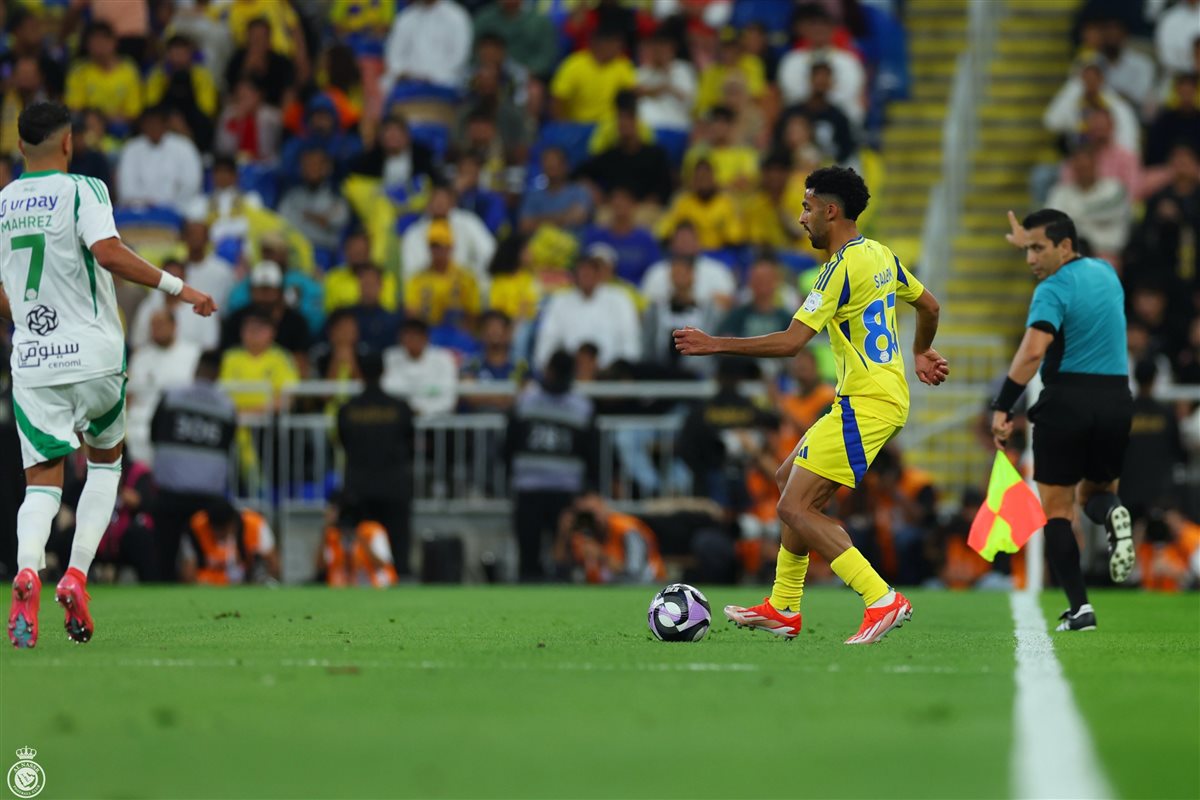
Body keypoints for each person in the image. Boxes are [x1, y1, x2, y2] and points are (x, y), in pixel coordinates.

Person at [673, 166, 948, 644]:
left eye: (806, 207)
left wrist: (715, 343)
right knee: (788, 483)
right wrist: (921, 350)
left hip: (867, 401)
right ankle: (783, 606)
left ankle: (881, 598)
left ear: (830, 211)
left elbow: (791, 342)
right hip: (874, 398)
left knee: (795, 506)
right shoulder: (881, 255)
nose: (802, 218)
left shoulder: (838, 270)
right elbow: (930, 306)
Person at [2, 102, 215, 647]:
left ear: (21, 147)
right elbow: (109, 252)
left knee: (41, 484)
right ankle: (75, 575)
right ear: (68, 143)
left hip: (35, 362)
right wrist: (179, 288)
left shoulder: (2, 204)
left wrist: (31, 316)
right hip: (95, 359)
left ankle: (27, 570)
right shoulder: (84, 189)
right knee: (105, 465)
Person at [991, 209, 1135, 631]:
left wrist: (1004, 404)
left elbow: (1033, 351)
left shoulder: (1051, 289)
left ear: (1065, 246)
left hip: (1066, 402)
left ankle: (1080, 609)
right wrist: (1030, 241)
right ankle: (1114, 514)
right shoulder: (1107, 273)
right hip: (1116, 401)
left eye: (1038, 249)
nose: (1030, 259)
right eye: (1028, 249)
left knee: (1057, 512)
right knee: (1095, 496)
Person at [504, 350, 598, 582]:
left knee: (559, 555)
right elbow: (591, 454)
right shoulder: (580, 406)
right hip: (547, 488)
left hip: (549, 489)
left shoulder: (526, 401)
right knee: (535, 555)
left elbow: (507, 446)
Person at [149, 351, 236, 583]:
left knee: (165, 556)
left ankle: (163, 587)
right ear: (218, 374)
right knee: (205, 557)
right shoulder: (226, 406)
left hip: (170, 492)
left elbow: (153, 434)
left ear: (196, 369)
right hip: (207, 497)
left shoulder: (171, 397)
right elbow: (228, 445)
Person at [337, 353, 415, 576]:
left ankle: (359, 578)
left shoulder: (348, 409)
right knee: (397, 538)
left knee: (360, 536)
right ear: (384, 372)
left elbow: (343, 441)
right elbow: (409, 440)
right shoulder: (400, 407)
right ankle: (400, 576)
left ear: (358, 372)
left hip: (358, 483)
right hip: (394, 482)